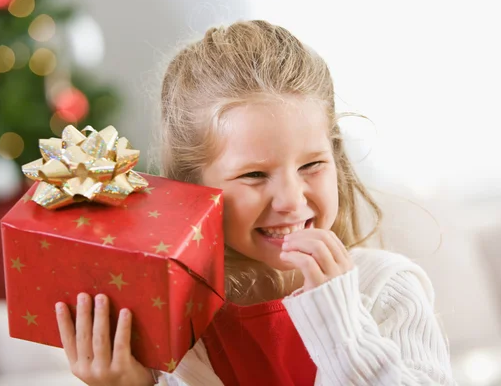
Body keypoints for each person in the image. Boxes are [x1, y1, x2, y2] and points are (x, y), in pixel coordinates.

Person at [55, 20, 457, 386]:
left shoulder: (389, 289)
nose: (291, 200)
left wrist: (343, 329)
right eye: (254, 175)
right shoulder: (171, 321)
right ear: (193, 187)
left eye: (313, 164)